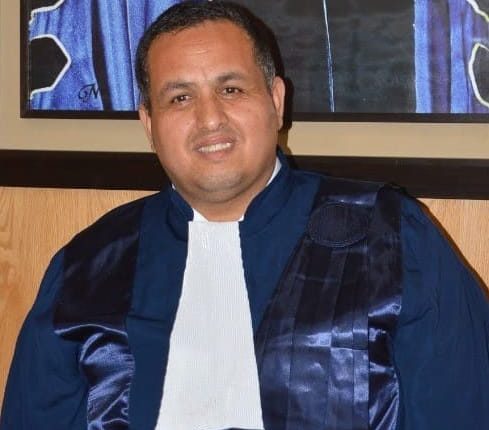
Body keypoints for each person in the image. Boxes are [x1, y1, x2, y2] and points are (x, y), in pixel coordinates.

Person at [2, 1, 489, 429]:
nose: (209, 118)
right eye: (180, 98)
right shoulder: (87, 268)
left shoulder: (392, 237)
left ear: (276, 101)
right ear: (149, 123)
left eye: (231, 90)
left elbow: (463, 411)